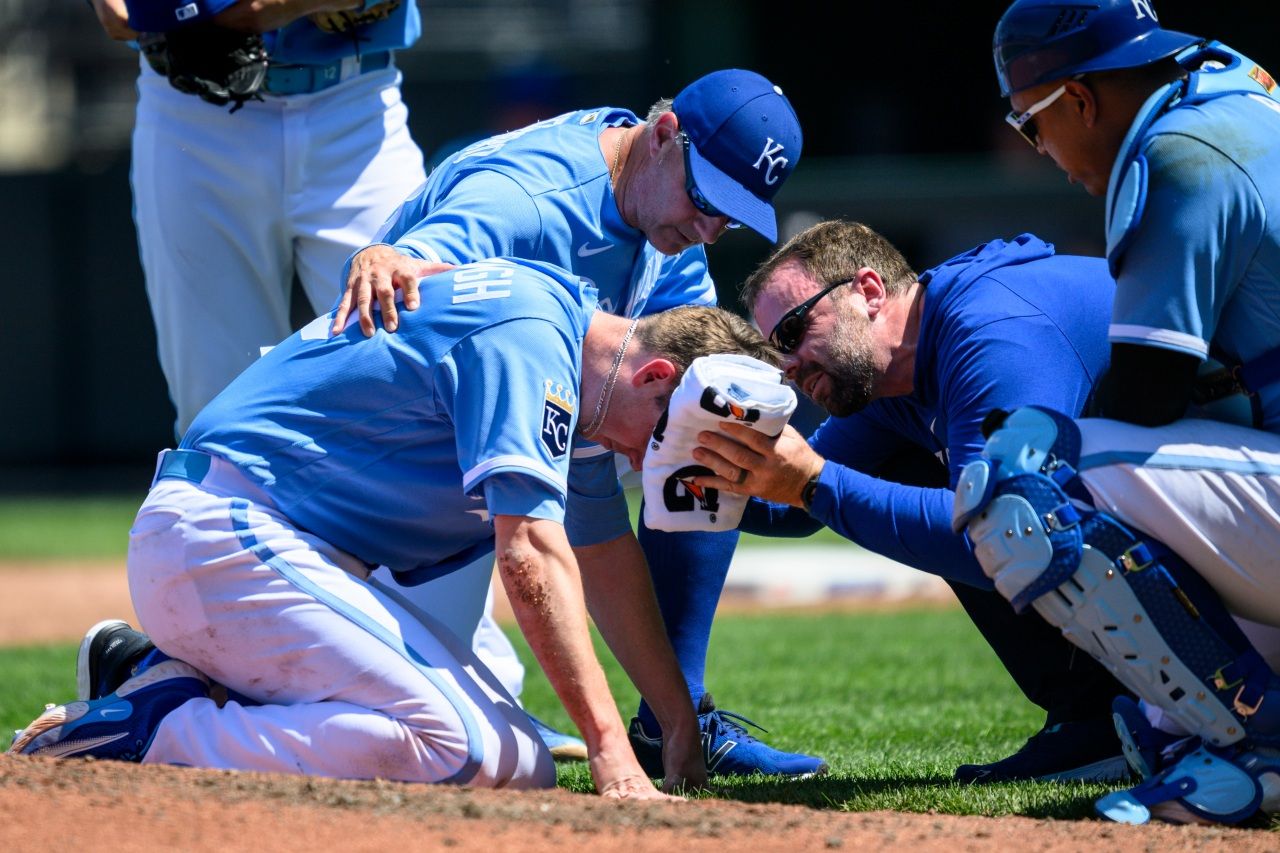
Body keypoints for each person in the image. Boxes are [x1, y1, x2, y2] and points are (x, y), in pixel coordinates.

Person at [11, 258, 778, 797]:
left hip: (277, 552)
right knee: (462, 748)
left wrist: (675, 721)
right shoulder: (534, 338)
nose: (650, 464)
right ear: (655, 378)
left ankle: (162, 669)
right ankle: (158, 727)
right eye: (665, 441)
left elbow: (602, 552)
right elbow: (531, 554)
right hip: (224, 532)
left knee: (520, 761)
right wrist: (613, 752)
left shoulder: (569, 348)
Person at [325, 68, 825, 777]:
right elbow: (406, 275)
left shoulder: (666, 228)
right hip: (380, 482)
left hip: (483, 453)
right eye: (707, 198)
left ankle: (672, 719)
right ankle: (150, 669)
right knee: (433, 749)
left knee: (709, 419)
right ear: (662, 137)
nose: (710, 228)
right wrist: (383, 257)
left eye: (732, 216)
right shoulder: (531, 198)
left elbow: (601, 499)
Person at [952, 0, 1280, 825]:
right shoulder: (1245, 102)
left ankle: (1259, 746)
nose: (1043, 153)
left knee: (1021, 477)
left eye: (1032, 124)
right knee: (1157, 720)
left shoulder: (1182, 151)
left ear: (1079, 100)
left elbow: (1147, 392)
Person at [687, 219, 1134, 783]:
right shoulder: (891, 378)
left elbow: (1004, 540)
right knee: (912, 476)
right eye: (776, 351)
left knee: (1001, 519)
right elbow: (789, 503)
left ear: (869, 292)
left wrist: (810, 481)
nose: (789, 365)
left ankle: (1131, 716)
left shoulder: (989, 330)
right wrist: (677, 455)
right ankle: (1092, 719)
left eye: (794, 330)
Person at [93, 0, 426, 436]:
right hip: (192, 115)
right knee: (217, 406)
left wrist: (228, 12)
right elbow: (123, 14)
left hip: (355, 105)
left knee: (415, 353)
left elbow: (225, 9)